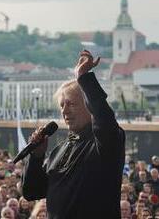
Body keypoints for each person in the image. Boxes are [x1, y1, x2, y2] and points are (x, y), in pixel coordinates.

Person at [22, 50, 125, 218]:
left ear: (88, 105)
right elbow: (32, 192)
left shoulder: (105, 142)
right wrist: (36, 157)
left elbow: (104, 117)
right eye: (62, 105)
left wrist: (84, 78)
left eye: (71, 104)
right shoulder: (59, 151)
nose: (65, 111)